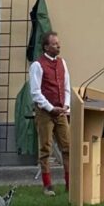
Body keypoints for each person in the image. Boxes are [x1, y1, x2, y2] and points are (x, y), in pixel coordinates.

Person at [27, 30, 71, 196]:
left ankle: (70, 183)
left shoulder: (62, 63)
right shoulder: (37, 65)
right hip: (45, 112)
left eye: (58, 43)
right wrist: (50, 107)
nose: (58, 46)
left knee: (67, 147)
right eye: (54, 44)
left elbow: (66, 86)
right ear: (46, 47)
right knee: (45, 148)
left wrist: (65, 105)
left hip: (61, 111)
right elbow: (35, 92)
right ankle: (47, 185)